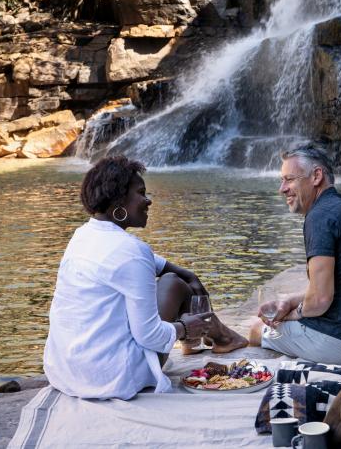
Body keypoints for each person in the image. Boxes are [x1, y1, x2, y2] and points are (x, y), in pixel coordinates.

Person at [43, 155, 247, 400]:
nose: (148, 200)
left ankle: (208, 339)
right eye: (141, 193)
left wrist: (190, 274)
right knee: (173, 284)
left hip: (66, 373)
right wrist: (185, 327)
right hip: (113, 378)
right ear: (118, 201)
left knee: (175, 277)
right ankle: (218, 336)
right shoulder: (130, 251)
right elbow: (149, 336)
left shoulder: (83, 235)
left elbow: (149, 261)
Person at [249, 144, 341, 364]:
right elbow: (336, 288)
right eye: (282, 180)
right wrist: (290, 302)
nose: (282, 189)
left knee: (256, 330)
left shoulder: (319, 217)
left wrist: (293, 314)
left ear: (316, 176)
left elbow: (320, 300)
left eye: (289, 179)